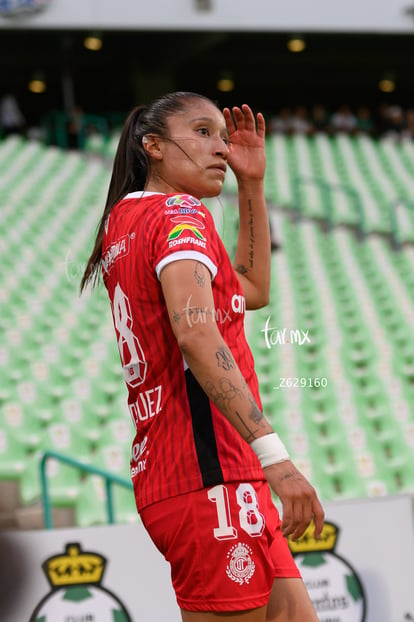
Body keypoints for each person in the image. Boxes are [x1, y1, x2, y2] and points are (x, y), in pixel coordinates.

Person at [80, 91, 324, 621]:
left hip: (197, 472)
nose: (221, 147)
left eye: (222, 134)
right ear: (154, 147)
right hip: (208, 477)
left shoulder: (123, 223)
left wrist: (251, 184)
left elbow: (253, 289)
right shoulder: (178, 212)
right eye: (202, 132)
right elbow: (195, 334)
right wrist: (275, 456)